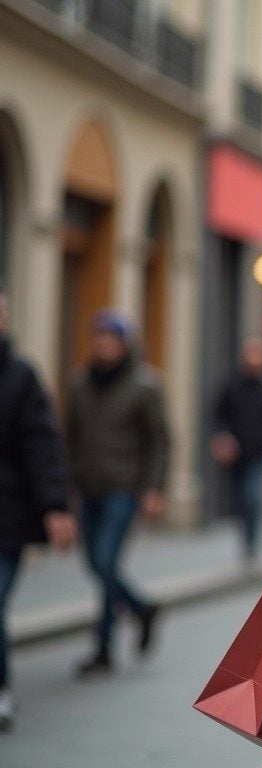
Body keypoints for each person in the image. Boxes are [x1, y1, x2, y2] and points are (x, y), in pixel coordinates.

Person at [66, 310, 170, 676]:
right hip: (88, 487)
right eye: (100, 339)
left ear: (125, 344)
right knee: (95, 563)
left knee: (106, 562)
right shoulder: (81, 383)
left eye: (112, 339)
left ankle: (103, 647)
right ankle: (141, 609)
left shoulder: (144, 385)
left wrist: (154, 488)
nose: (104, 346)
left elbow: (159, 441)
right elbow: (71, 438)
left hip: (124, 488)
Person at [0, 286, 77, 730]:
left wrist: (55, 506)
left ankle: (2, 690)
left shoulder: (21, 377)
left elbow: (42, 444)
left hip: (6, 517)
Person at [210, 336, 262, 562]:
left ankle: (252, 541)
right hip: (236, 454)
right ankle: (246, 537)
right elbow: (219, 415)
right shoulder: (232, 384)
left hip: (260, 453)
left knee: (254, 497)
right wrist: (223, 437)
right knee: (241, 499)